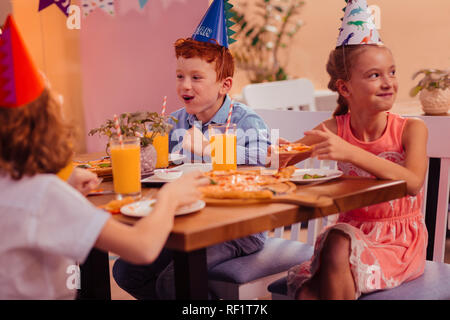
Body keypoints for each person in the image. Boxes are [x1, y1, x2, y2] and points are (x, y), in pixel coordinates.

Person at [0, 15, 209, 299]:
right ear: (43, 124)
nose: (60, 102)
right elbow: (142, 247)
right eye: (53, 99)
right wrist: (170, 197)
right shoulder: (43, 195)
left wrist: (64, 185)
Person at [112, 0, 270, 300]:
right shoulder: (174, 121)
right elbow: (158, 167)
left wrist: (213, 148)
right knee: (125, 269)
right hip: (187, 220)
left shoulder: (246, 121)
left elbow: (264, 158)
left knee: (173, 281)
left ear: (224, 85)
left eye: (196, 78)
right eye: (180, 76)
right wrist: (141, 148)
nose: (185, 85)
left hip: (237, 229)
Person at [282, 0, 428, 300]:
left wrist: (350, 153)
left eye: (392, 72)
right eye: (375, 75)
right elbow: (283, 159)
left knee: (321, 275)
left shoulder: (411, 129)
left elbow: (413, 183)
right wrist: (273, 150)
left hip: (397, 242)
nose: (388, 83)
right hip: (348, 234)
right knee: (334, 247)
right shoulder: (336, 128)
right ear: (345, 88)